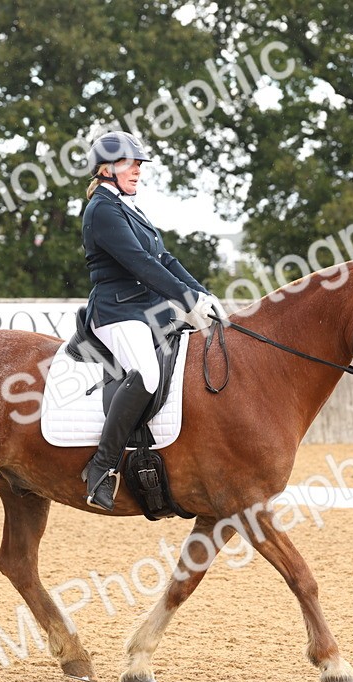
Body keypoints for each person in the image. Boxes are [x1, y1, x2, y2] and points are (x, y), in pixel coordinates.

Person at [80, 130, 225, 510]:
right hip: (116, 313)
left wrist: (203, 295)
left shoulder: (129, 208)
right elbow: (140, 265)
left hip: (145, 313)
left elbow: (164, 259)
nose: (138, 171)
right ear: (106, 168)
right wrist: (186, 299)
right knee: (146, 374)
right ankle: (100, 467)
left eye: (139, 164)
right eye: (130, 164)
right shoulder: (102, 210)